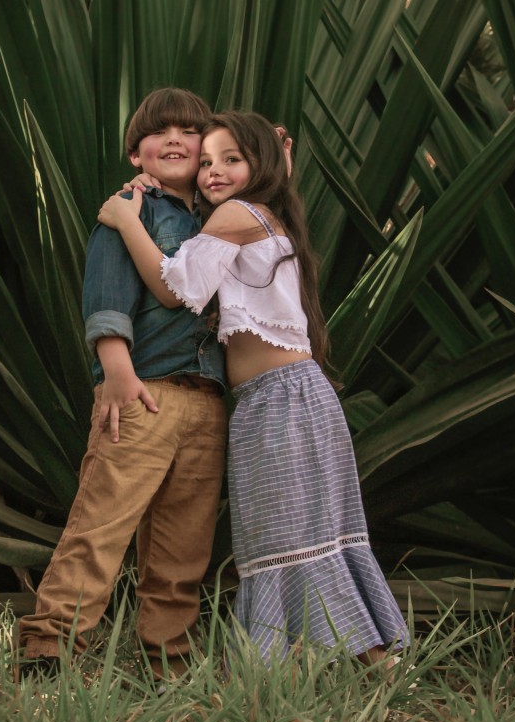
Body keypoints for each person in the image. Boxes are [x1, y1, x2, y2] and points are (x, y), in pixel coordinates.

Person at [98, 110, 407, 667]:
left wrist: (126, 221)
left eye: (231, 160)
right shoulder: (259, 212)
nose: (213, 171)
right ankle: (339, 662)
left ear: (257, 166)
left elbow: (177, 288)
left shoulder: (240, 213)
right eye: (207, 161)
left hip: (283, 399)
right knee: (290, 535)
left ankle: (348, 663)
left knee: (286, 537)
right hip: (280, 399)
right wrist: (275, 161)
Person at [18, 88, 227, 680]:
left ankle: (170, 661)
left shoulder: (221, 218)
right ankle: (50, 645)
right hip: (143, 391)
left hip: (208, 400)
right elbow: (108, 293)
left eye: (190, 130)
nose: (175, 139)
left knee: (183, 546)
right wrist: (116, 371)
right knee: (102, 523)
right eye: (159, 132)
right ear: (136, 154)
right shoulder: (130, 210)